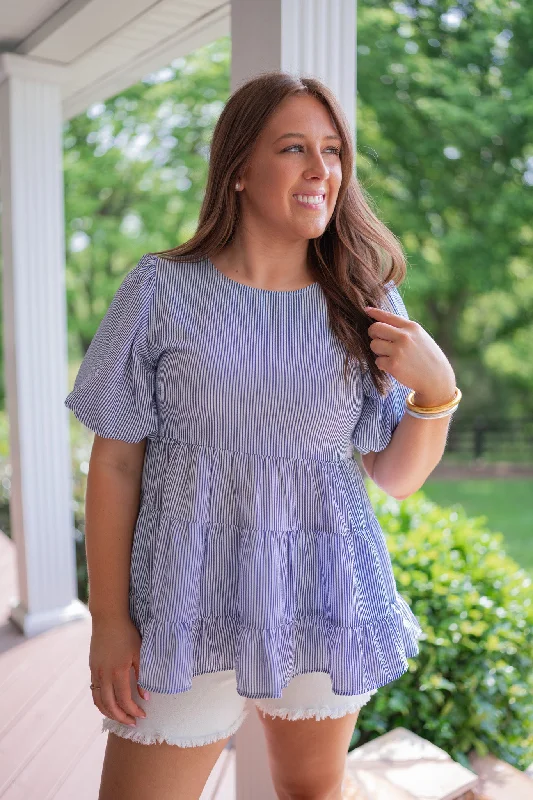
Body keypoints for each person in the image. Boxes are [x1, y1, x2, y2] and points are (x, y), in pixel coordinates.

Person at [64, 71, 461, 800]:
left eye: (333, 151)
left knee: (312, 794)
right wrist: (109, 620)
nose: (322, 172)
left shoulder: (365, 299)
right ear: (239, 168)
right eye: (293, 149)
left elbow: (395, 475)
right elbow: (116, 461)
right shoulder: (158, 289)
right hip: (181, 609)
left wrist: (436, 391)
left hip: (321, 598)